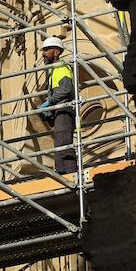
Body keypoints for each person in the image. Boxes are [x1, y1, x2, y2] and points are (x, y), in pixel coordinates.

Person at [38, 36, 77, 174]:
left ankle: (69, 173)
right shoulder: (54, 70)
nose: (43, 53)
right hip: (59, 109)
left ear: (56, 52)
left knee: (63, 143)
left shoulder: (61, 67)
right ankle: (62, 171)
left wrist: (50, 101)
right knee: (60, 143)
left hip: (64, 108)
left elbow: (65, 89)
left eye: (47, 50)